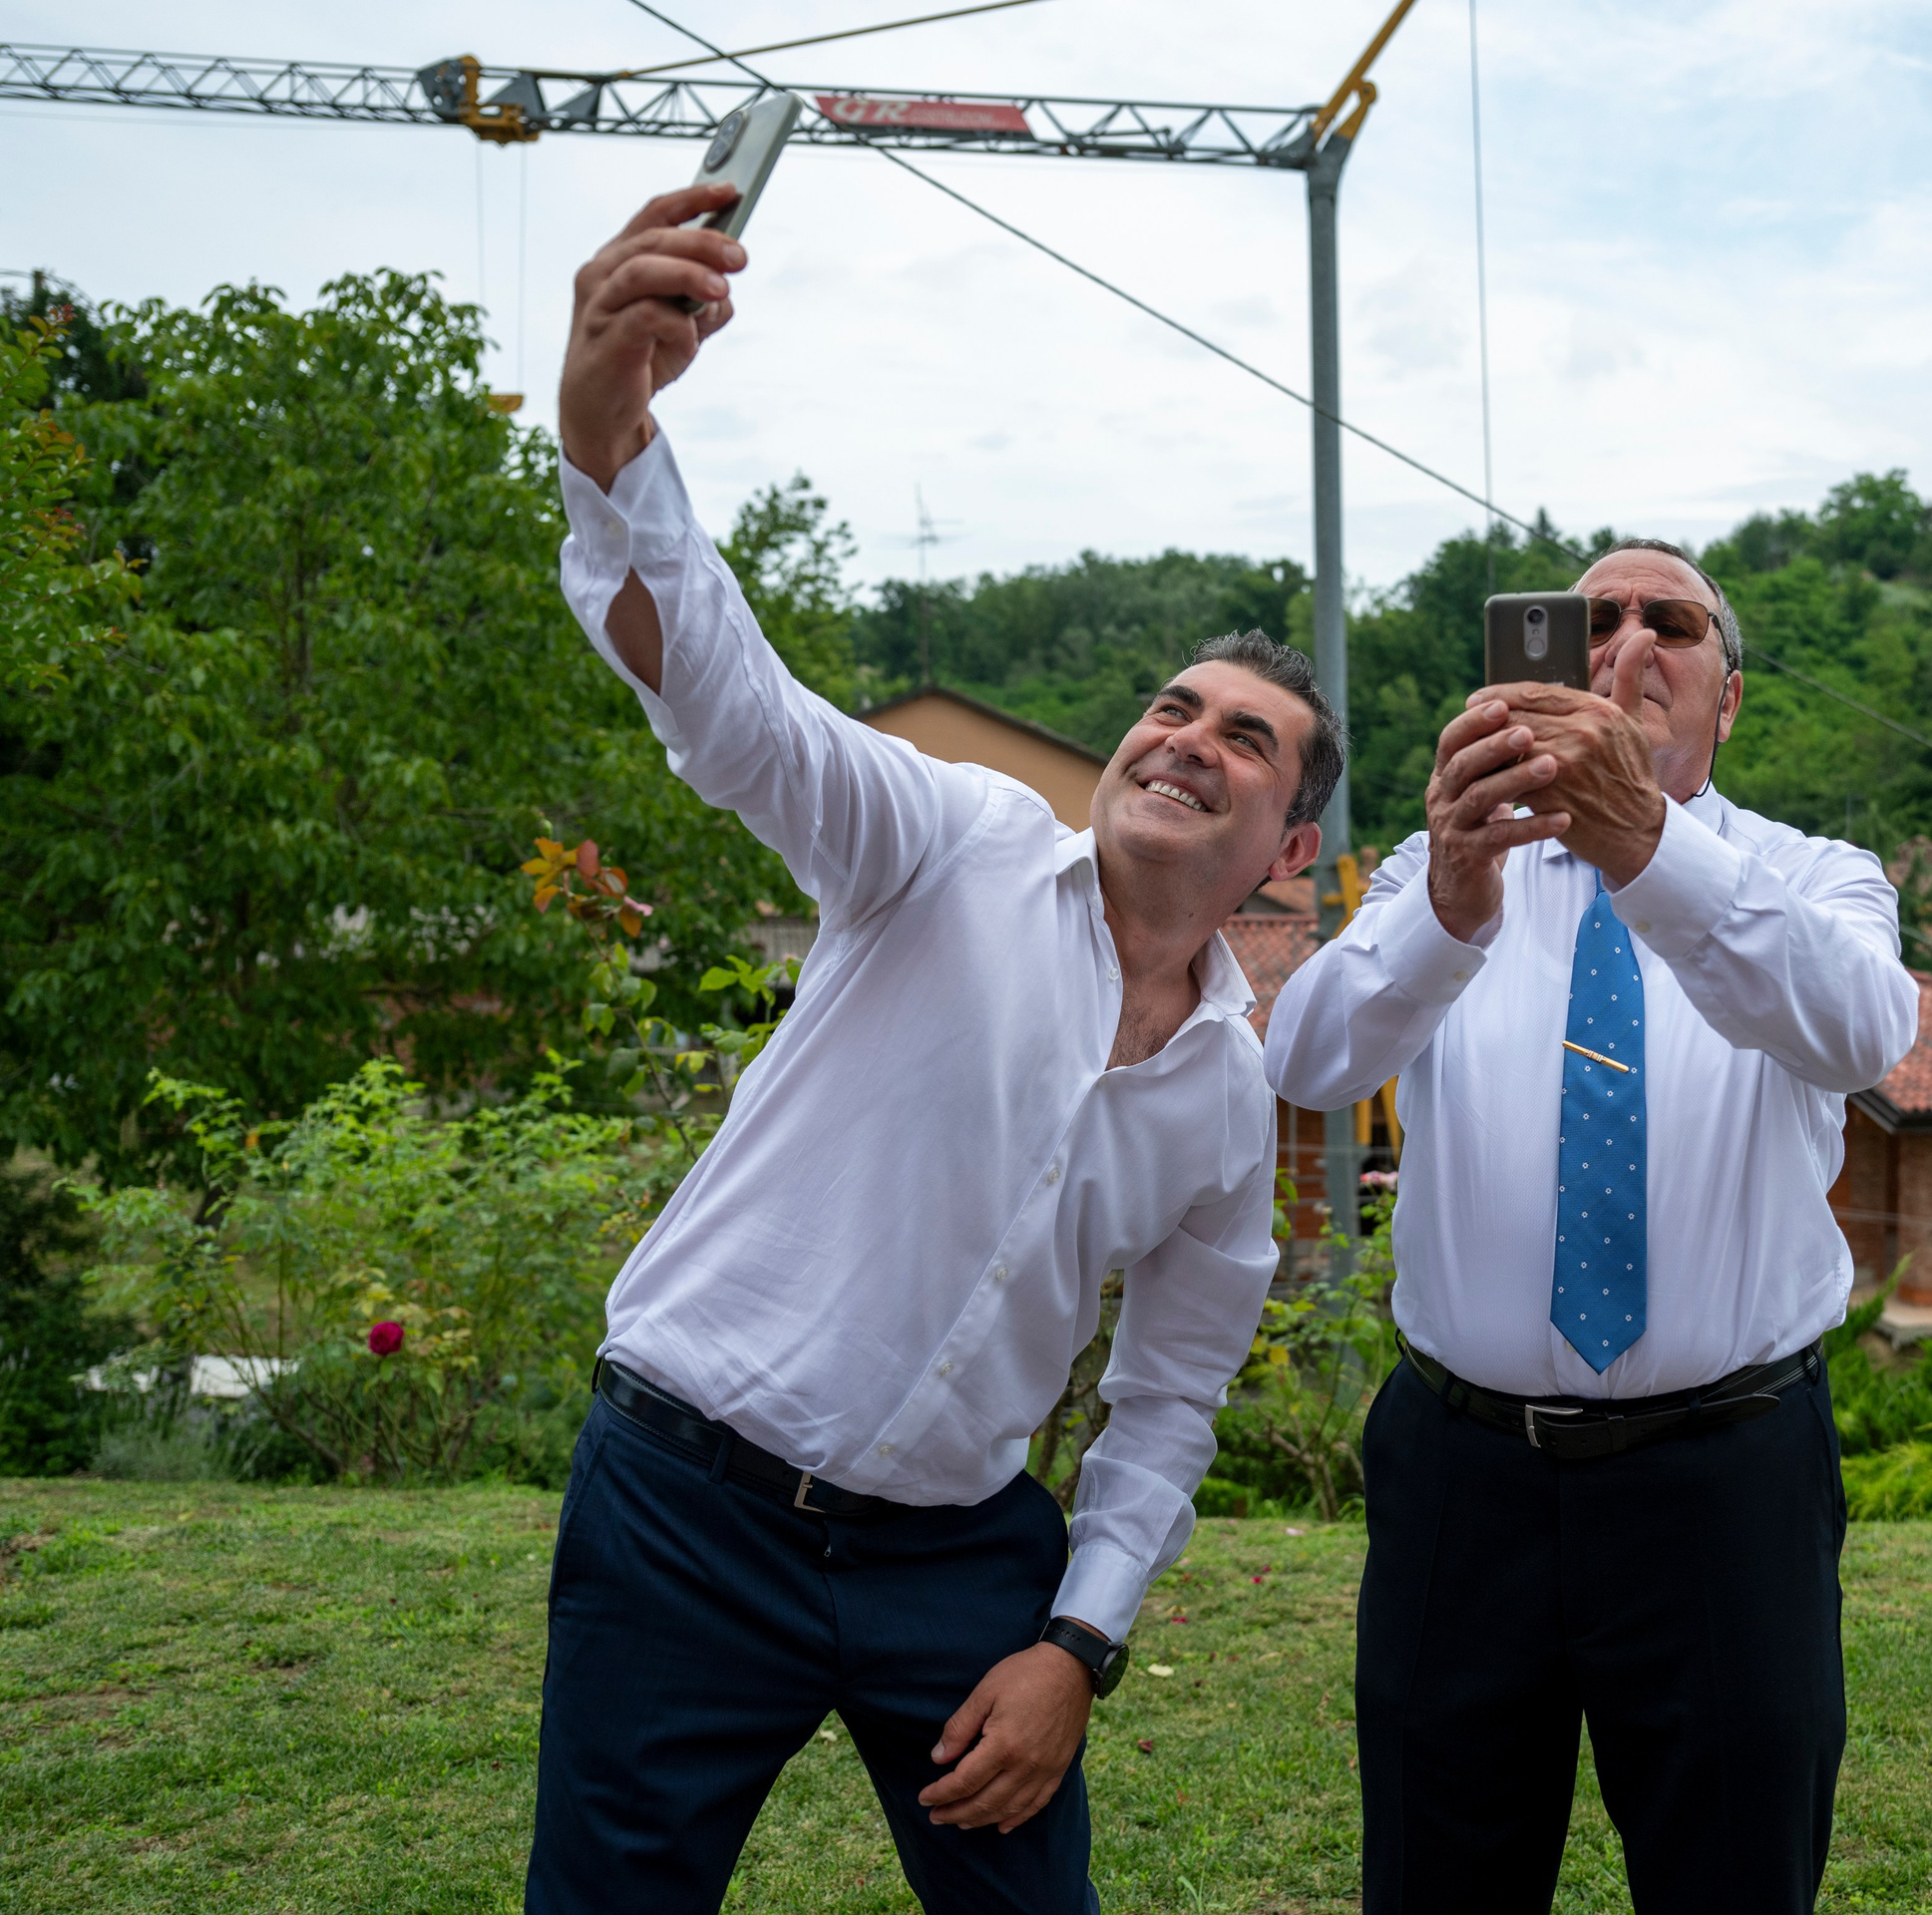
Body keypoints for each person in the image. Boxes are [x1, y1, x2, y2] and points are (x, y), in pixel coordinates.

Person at [530, 183, 1344, 1915]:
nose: (1188, 739)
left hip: (961, 1562)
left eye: (1248, 740)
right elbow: (738, 709)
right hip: (684, 1508)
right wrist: (615, 435)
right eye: (1173, 707)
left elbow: (1170, 1400)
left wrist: (1078, 1645)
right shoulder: (947, 842)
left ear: (1289, 852)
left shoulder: (1224, 1097)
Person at [1265, 541, 1917, 1913]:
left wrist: (1647, 850)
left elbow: (1863, 1028)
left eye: (1667, 621)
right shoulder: (1439, 872)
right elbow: (1309, 1061)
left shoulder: (1814, 874)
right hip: (1464, 1471)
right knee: (1440, 1877)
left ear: (1726, 699)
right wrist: (1446, 899)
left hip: (1727, 1480)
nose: (1626, 642)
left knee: (1734, 1876)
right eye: (1592, 619)